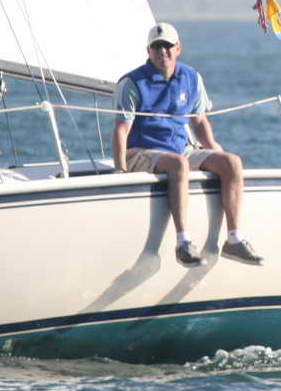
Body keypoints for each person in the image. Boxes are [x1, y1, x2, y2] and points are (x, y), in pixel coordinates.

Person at [111, 22, 263, 267]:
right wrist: (120, 170)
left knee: (232, 162)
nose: (162, 51)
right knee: (179, 164)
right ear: (148, 51)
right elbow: (121, 129)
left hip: (180, 150)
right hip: (141, 151)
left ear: (178, 48)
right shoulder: (132, 83)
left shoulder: (191, 77)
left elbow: (199, 121)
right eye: (156, 47)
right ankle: (183, 242)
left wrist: (214, 149)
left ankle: (234, 239)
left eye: (167, 46)